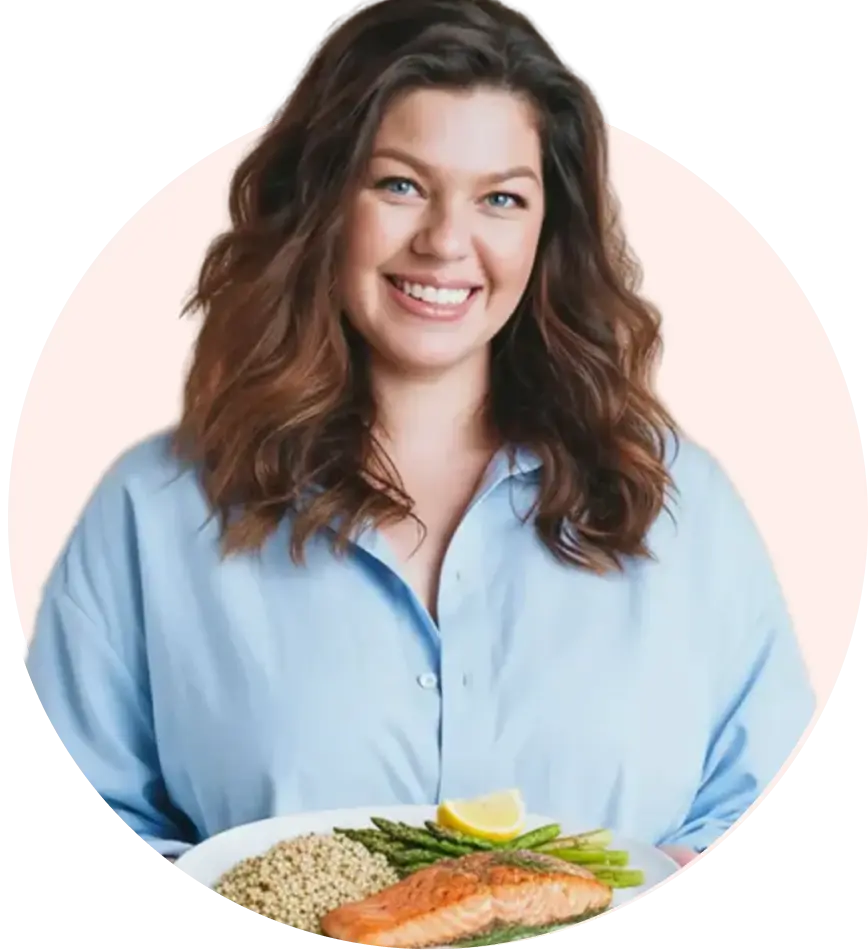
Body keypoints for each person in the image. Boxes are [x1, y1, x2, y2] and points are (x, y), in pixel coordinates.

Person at [26, 0, 813, 873]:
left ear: (549, 229)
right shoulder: (154, 509)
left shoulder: (680, 503)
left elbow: (755, 794)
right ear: (322, 201)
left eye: (501, 198)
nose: (445, 242)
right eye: (400, 184)